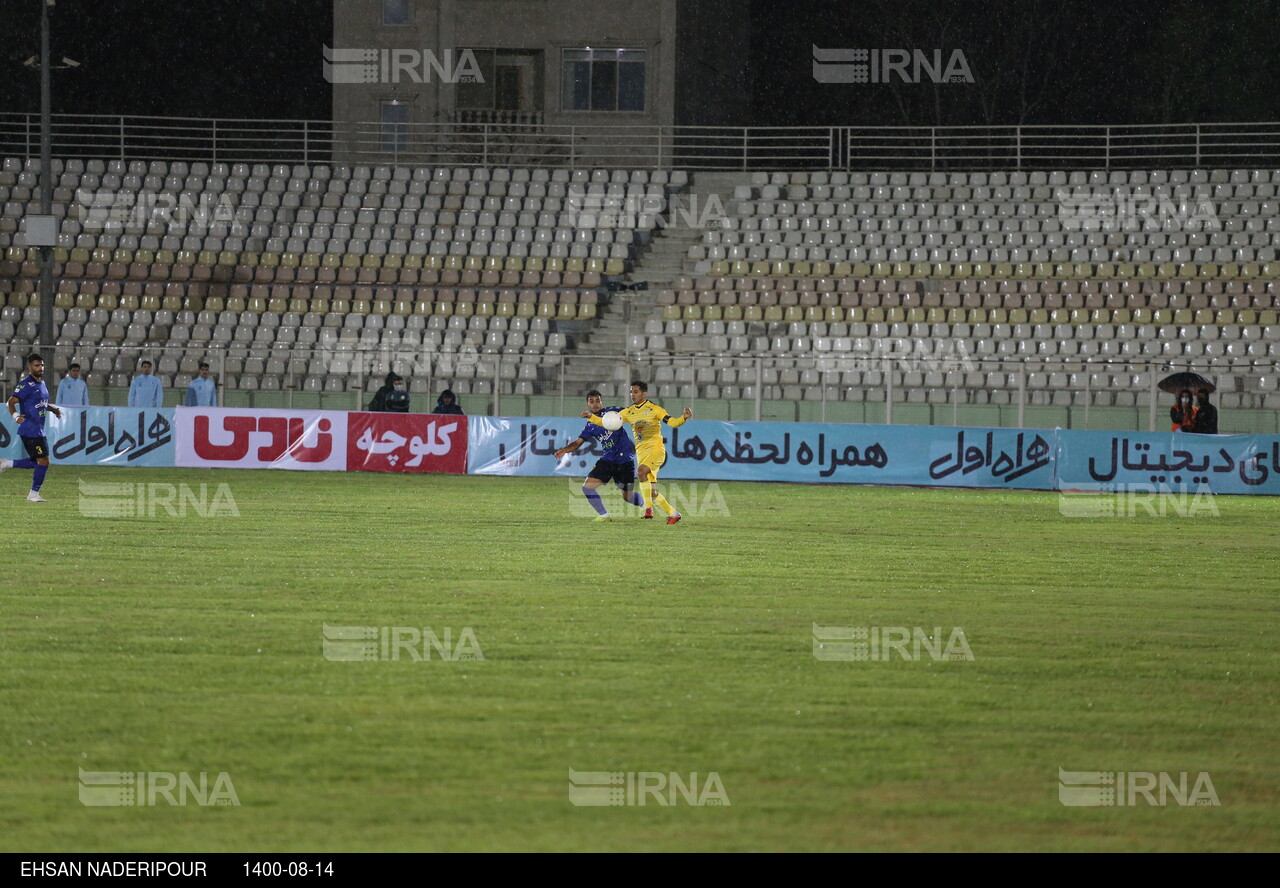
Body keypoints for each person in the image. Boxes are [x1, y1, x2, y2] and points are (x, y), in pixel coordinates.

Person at [583, 380, 692, 525]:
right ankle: (674, 514)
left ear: (644, 393)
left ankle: (648, 508)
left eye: (635, 392)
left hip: (656, 449)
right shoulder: (628, 412)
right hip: (641, 453)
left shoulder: (655, 409)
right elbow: (607, 422)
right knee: (651, 493)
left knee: (641, 472)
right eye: (631, 392)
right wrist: (591, 417)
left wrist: (683, 418)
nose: (632, 395)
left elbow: (672, 422)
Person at [555, 390, 648, 522]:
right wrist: (565, 450)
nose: (595, 404)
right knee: (587, 487)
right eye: (591, 401)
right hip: (607, 461)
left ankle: (646, 506)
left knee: (628, 497)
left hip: (625, 461)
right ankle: (604, 515)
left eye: (597, 400)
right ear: (587, 404)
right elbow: (577, 443)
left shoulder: (612, 412)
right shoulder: (590, 425)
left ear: (602, 402)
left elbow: (631, 412)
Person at [1, 353, 63, 502]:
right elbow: (11, 401)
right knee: (44, 461)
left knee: (37, 461)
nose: (40, 368)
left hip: (38, 429)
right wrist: (16, 415)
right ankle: (33, 494)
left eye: (41, 365)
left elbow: (39, 403)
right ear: (30, 367)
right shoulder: (26, 384)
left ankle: (6, 463)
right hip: (30, 429)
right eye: (37, 365)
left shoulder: (41, 383)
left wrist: (52, 409)